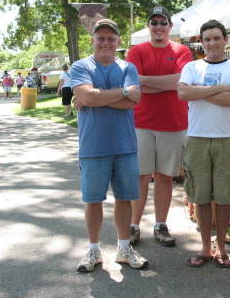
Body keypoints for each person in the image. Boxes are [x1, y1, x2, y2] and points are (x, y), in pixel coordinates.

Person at [71, 18, 148, 273]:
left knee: (125, 198)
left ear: (118, 42)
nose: (105, 42)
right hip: (93, 146)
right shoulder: (81, 66)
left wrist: (95, 97)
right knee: (93, 201)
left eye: (110, 38)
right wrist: (119, 93)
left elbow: (133, 98)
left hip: (125, 145)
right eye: (100, 37)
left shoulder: (128, 67)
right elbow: (85, 96)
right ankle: (93, 250)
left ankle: (124, 248)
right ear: (93, 40)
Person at [177, 19, 230, 268]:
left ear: (225, 40)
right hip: (197, 137)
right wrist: (217, 88)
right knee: (201, 197)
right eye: (207, 39)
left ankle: (221, 249)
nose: (212, 43)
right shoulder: (192, 67)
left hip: (226, 138)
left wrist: (201, 91)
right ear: (201, 42)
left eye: (217, 38)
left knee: (224, 197)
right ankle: (205, 249)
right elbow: (183, 93)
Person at [126, 6, 193, 247]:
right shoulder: (137, 50)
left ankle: (160, 225)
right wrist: (165, 84)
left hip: (173, 124)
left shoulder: (181, 50)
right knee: (141, 177)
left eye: (163, 22)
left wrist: (146, 81)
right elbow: (132, 82)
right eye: (154, 22)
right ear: (149, 26)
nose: (158, 27)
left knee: (164, 177)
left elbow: (180, 82)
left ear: (170, 26)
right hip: (141, 122)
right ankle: (133, 226)